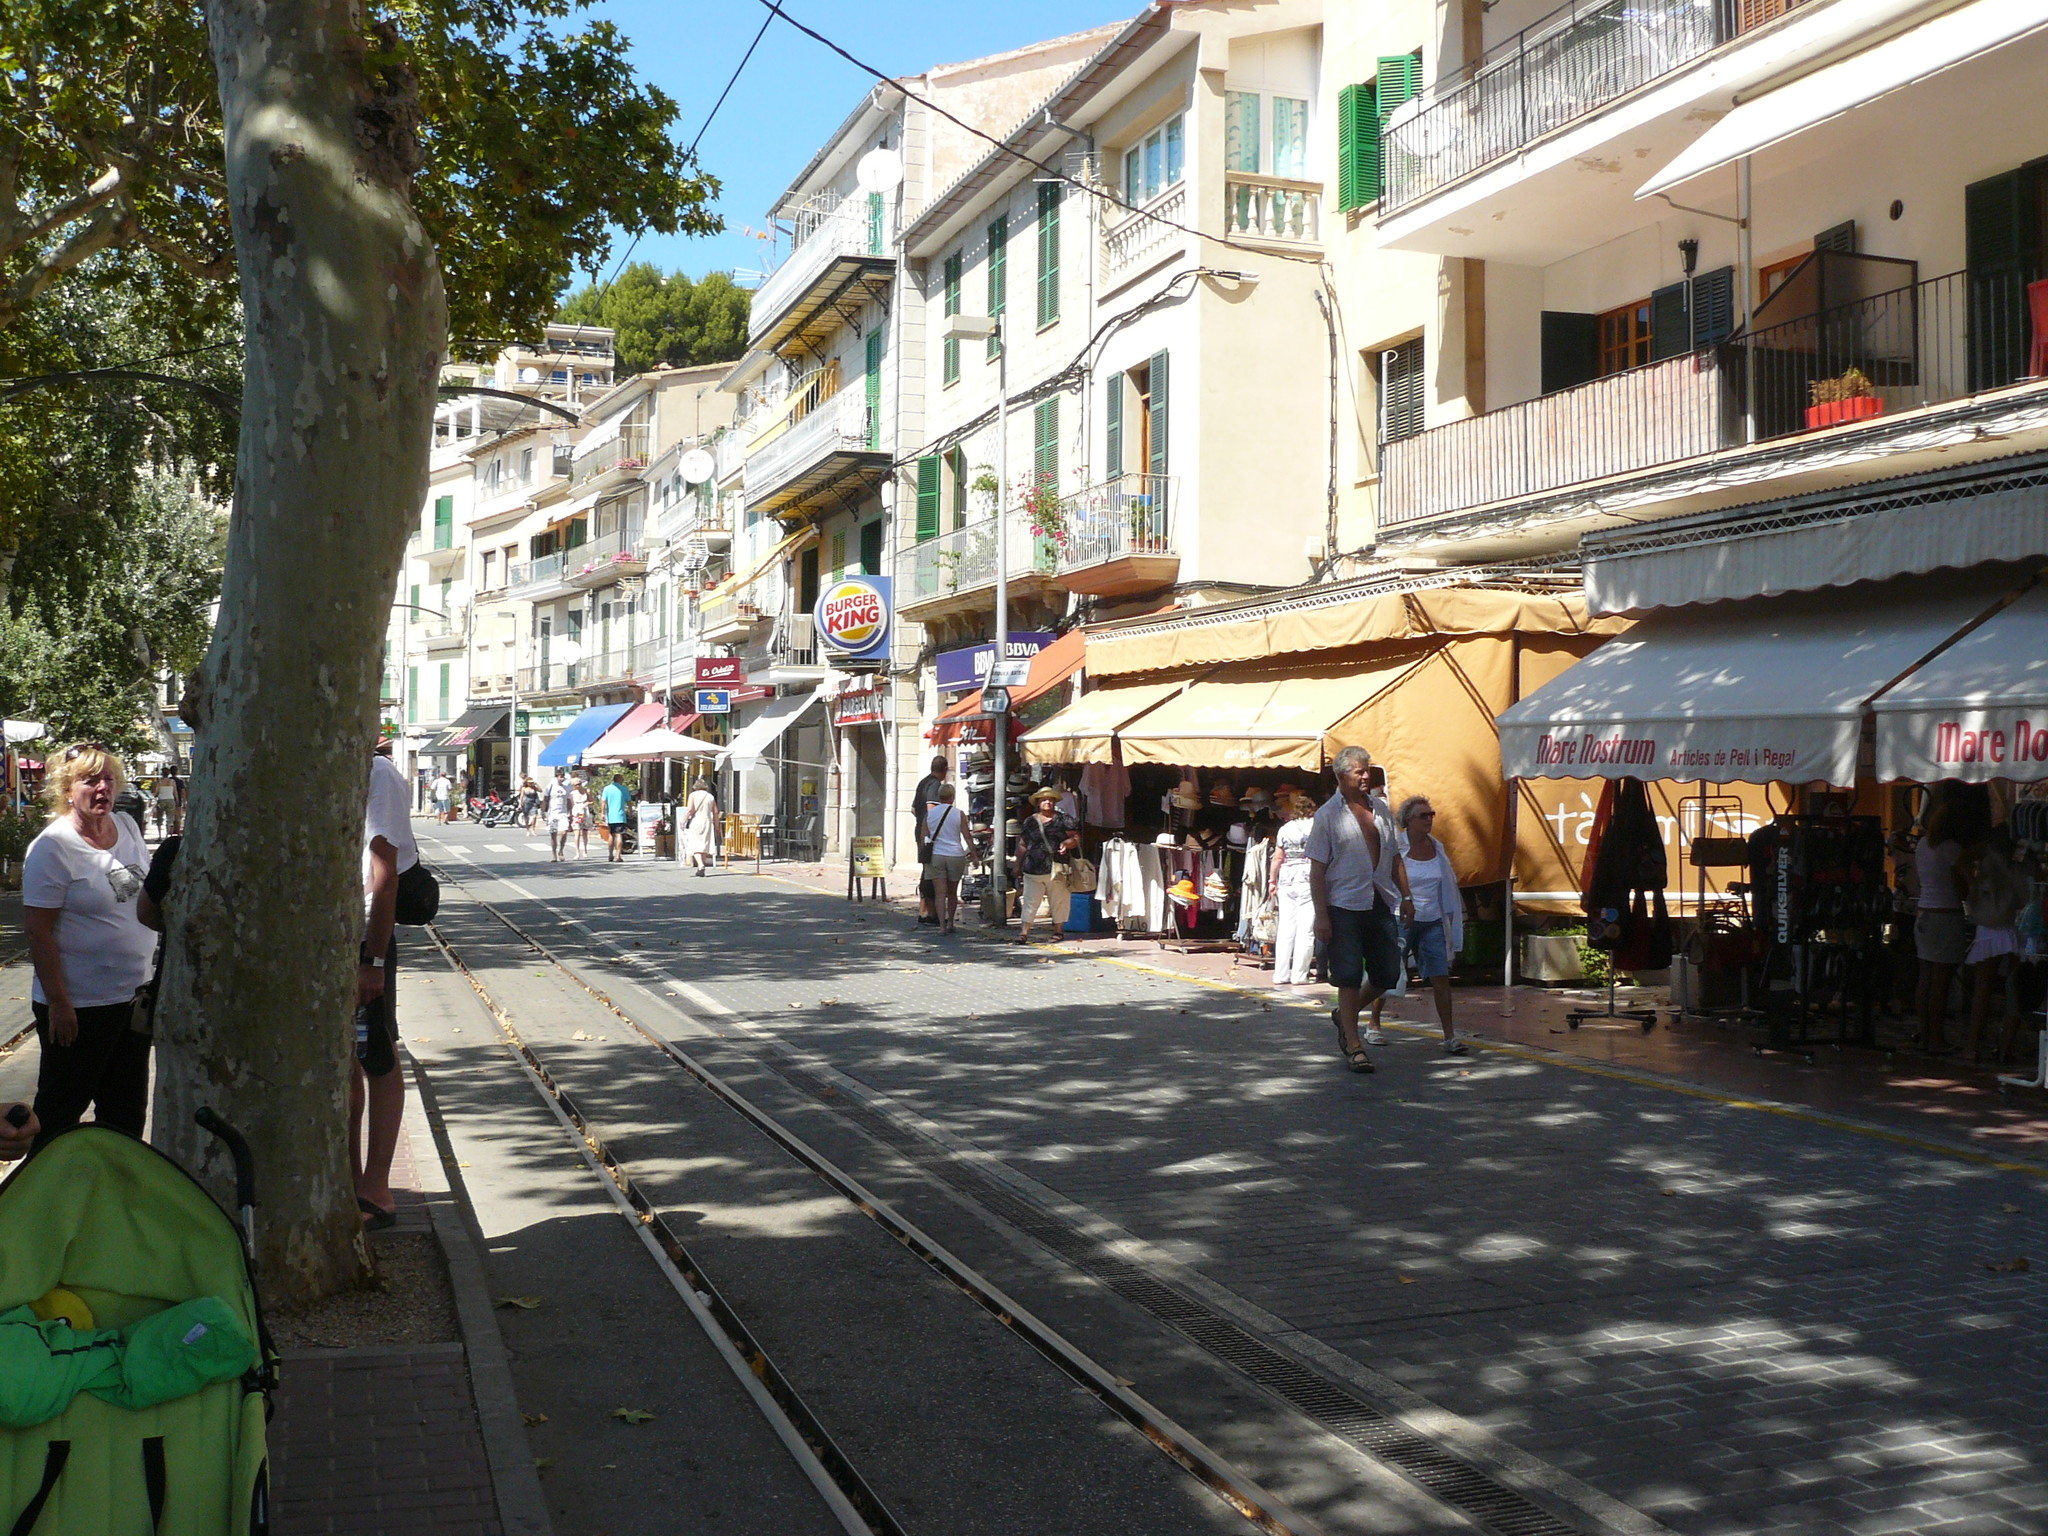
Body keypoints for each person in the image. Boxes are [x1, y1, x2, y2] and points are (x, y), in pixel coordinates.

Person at [19, 744, 159, 1151]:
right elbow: (37, 932)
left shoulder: (127, 828)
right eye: (90, 780)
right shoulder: (52, 848)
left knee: (126, 1113)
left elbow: (137, 893)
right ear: (67, 789)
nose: (102, 788)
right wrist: (60, 1005)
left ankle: (113, 1194)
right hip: (79, 1007)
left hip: (133, 999)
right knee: (61, 1112)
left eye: (108, 779)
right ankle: (44, 1197)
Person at [1307, 745, 1410, 1074]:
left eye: (1368, 770)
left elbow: (1394, 857)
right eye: (1358, 771)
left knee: (1387, 973)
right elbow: (1317, 869)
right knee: (1348, 976)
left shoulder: (1380, 809)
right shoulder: (1327, 816)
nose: (1366, 776)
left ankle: (1345, 1016)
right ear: (1341, 777)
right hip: (1343, 905)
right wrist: (1321, 915)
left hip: (1378, 898)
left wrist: (1407, 897)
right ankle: (1354, 1045)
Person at [355, 738, 418, 1228]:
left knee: (375, 1053)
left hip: (361, 940)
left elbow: (386, 875)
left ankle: (377, 1188)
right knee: (341, 1060)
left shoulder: (377, 772)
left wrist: (373, 959)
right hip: (316, 940)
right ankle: (348, 1179)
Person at [1393, 795, 1467, 1055]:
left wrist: (1449, 917)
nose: (1429, 820)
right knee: (1389, 973)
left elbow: (1446, 884)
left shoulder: (1438, 848)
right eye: (1423, 815)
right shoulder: (1397, 849)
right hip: (1402, 918)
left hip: (1432, 919)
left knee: (1441, 977)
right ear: (1408, 821)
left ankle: (1449, 1036)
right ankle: (1373, 1023)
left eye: (1431, 814)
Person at [1914, 799, 1975, 1054]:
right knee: (1942, 981)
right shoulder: (1951, 849)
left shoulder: (1921, 845)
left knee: (1925, 978)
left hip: (1924, 914)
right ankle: (1936, 1038)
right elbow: (1964, 884)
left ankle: (1923, 1032)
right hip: (1945, 916)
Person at [1961, 828, 2025, 1066]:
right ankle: (2006, 1047)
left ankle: (1972, 1045)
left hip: (1990, 925)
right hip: (2014, 925)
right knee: (2015, 989)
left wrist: (1974, 885)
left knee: (1982, 990)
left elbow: (1962, 862)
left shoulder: (1986, 859)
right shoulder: (2021, 860)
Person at [1015, 786, 1079, 945]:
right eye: (1044, 799)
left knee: (1059, 901)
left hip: (1056, 868)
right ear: (1037, 803)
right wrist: (1017, 864)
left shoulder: (1064, 819)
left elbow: (1076, 838)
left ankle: (1058, 931)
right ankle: (1024, 932)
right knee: (1030, 900)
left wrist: (1067, 843)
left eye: (1050, 799)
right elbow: (1022, 844)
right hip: (1033, 868)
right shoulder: (1030, 821)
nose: (1047, 802)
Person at [1272, 791, 1317, 986]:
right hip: (1309, 877)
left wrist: (1271, 881)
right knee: (1306, 929)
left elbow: (1277, 857)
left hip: (1287, 877)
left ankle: (1280, 974)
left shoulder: (1285, 829)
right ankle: (1299, 974)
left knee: (1286, 927)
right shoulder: (1317, 827)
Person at [923, 782, 970, 934]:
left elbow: (923, 835)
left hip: (936, 854)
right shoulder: (959, 814)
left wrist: (922, 854)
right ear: (953, 796)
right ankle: (950, 923)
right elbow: (967, 836)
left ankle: (942, 926)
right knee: (952, 892)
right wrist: (974, 854)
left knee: (940, 893)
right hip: (955, 854)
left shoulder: (930, 814)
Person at [912, 754, 949, 927]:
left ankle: (923, 911)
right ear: (944, 770)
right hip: (930, 835)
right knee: (931, 873)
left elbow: (913, 809)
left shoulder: (923, 782)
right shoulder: (935, 785)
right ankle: (930, 912)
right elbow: (931, 809)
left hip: (920, 832)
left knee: (926, 870)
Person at [681, 777, 720, 876]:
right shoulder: (710, 796)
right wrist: (717, 825)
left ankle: (700, 864)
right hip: (707, 822)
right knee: (704, 844)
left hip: (696, 821)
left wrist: (684, 821)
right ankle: (700, 868)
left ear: (695, 786)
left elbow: (690, 810)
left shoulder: (693, 795)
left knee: (695, 844)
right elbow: (715, 812)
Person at [601, 772, 631, 863]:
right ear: (619, 780)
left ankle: (610, 855)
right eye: (622, 779)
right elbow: (629, 801)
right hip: (620, 815)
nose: (623, 781)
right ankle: (618, 856)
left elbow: (603, 801)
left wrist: (602, 813)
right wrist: (630, 810)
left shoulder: (607, 789)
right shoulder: (623, 789)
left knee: (611, 835)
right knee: (619, 835)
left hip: (610, 816)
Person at [544, 772, 574, 861]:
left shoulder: (566, 788)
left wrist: (570, 812)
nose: (562, 779)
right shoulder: (550, 787)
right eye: (560, 777)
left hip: (563, 813)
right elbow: (545, 800)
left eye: (563, 777)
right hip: (553, 814)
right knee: (553, 834)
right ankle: (554, 855)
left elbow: (569, 801)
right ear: (557, 777)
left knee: (564, 832)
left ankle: (561, 850)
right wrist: (543, 811)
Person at [571, 775, 593, 859]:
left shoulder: (587, 791)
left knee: (585, 832)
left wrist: (587, 803)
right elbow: (571, 805)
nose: (578, 786)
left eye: (579, 784)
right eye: (576, 784)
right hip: (577, 813)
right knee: (577, 833)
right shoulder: (572, 794)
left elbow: (592, 801)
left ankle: (585, 850)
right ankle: (577, 852)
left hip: (585, 812)